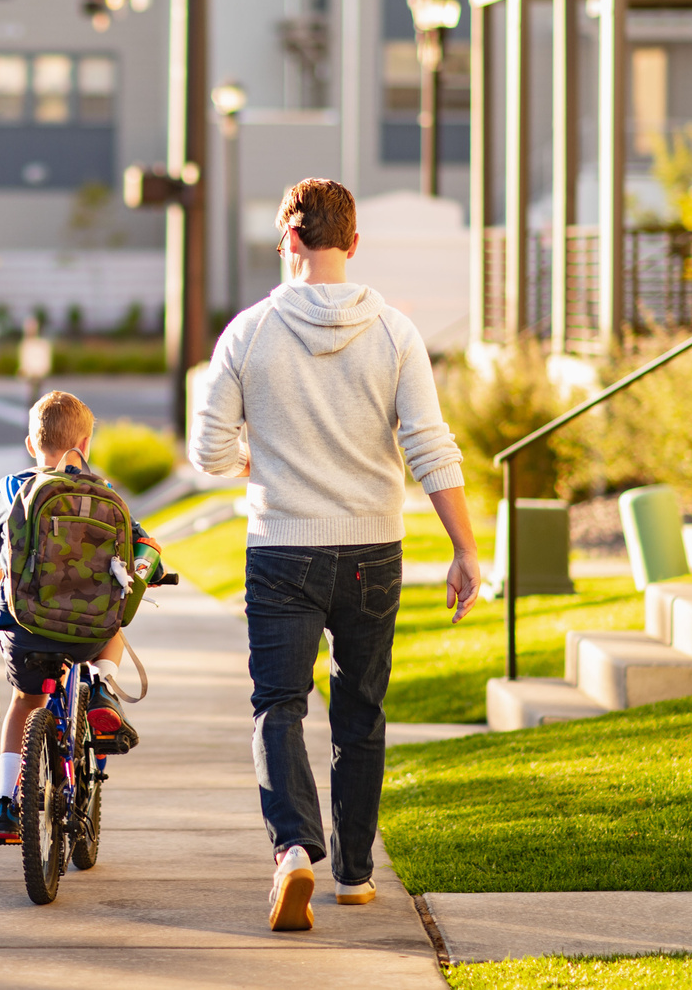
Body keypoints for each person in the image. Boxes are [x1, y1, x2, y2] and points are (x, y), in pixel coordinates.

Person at [188, 178, 482, 933]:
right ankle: (355, 872)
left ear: (289, 240)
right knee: (361, 710)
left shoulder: (248, 332)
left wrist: (256, 451)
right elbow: (427, 442)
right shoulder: (393, 331)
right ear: (354, 243)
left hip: (282, 547)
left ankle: (293, 849)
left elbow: (206, 450)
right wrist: (464, 547)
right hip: (373, 549)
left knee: (279, 705)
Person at [0, 389, 164, 844]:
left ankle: (5, 804)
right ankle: (101, 688)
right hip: (88, 633)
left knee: (26, 702)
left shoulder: (10, 488)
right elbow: (140, 546)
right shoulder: (104, 491)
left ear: (31, 445)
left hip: (28, 629)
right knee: (114, 624)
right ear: (86, 444)